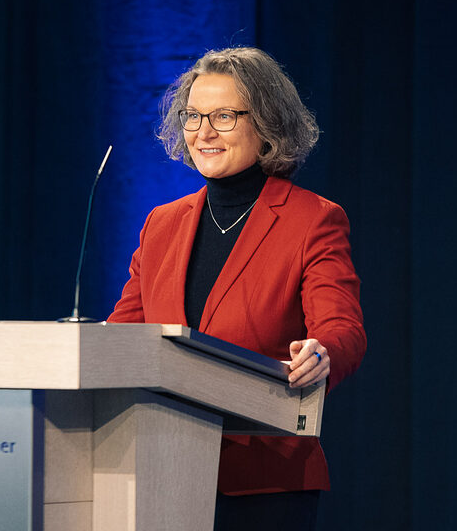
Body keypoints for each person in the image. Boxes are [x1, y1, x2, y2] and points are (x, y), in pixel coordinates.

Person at [107, 47, 366, 529]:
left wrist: (321, 353)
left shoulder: (314, 220)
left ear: (267, 123)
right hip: (160, 468)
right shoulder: (160, 224)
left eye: (223, 116)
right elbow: (123, 334)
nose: (203, 132)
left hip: (264, 479)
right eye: (193, 116)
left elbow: (342, 327)